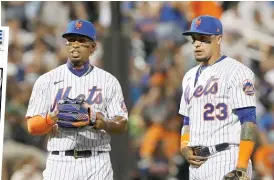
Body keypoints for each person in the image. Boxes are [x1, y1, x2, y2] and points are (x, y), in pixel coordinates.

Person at [26, 20, 128, 180]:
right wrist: (51, 118)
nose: (75, 45)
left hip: (97, 161)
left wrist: (102, 123)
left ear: (93, 47)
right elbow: (32, 126)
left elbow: (122, 124)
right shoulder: (46, 80)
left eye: (81, 41)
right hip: (60, 162)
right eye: (71, 40)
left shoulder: (108, 81)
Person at [179, 15, 257, 180]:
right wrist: (184, 146)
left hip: (227, 158)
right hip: (196, 165)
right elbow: (187, 121)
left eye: (203, 38)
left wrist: (241, 167)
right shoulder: (188, 76)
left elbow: (248, 120)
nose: (197, 44)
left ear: (218, 39)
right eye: (194, 39)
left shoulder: (237, 71)